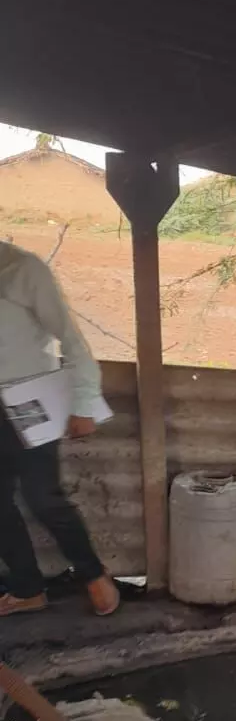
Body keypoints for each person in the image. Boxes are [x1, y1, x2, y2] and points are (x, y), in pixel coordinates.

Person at [0, 239, 119, 617]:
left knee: (43, 496)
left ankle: (94, 573)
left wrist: (84, 402)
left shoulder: (21, 268)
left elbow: (70, 336)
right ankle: (28, 588)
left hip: (28, 401)